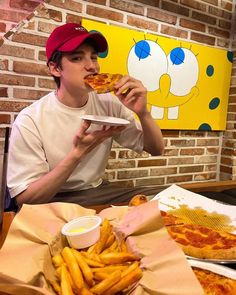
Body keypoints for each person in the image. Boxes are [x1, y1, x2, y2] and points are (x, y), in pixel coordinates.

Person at [7, 22, 164, 208]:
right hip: (52, 196)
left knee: (163, 197)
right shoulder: (30, 120)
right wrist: (77, 154)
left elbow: (156, 149)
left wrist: (142, 112)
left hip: (98, 191)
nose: (92, 66)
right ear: (55, 68)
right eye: (77, 58)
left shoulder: (109, 103)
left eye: (94, 57)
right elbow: (24, 200)